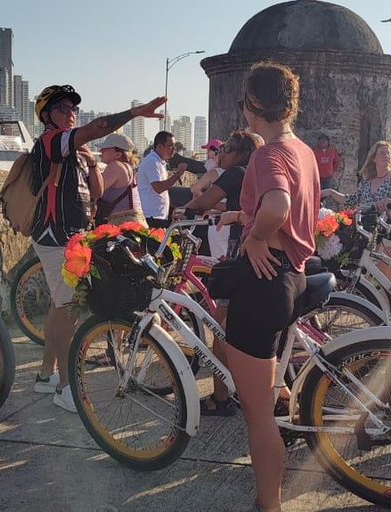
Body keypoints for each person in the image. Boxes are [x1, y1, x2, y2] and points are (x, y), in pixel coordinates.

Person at [216, 61, 319, 512]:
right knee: (267, 391)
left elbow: (276, 205)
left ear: (255, 105)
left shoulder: (266, 152)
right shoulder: (303, 150)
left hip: (263, 282)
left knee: (257, 416)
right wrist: (243, 217)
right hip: (292, 276)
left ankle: (269, 504)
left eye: (244, 102)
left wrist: (256, 235)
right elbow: (288, 206)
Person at [30, 84, 165, 412]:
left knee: (57, 306)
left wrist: (89, 162)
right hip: (56, 237)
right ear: (46, 116)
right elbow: (96, 127)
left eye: (73, 109)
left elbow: (98, 189)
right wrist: (134, 113)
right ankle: (66, 387)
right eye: (63, 109)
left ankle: (46, 376)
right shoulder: (50, 141)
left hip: (71, 236)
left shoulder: (73, 151)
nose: (71, 114)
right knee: (69, 311)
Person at [181, 131, 262, 415]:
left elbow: (200, 203)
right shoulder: (254, 173)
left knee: (219, 328)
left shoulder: (233, 173)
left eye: (227, 148)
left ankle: (220, 398)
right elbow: (234, 205)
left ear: (242, 153)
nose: (221, 153)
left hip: (242, 255)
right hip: (259, 254)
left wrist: (181, 213)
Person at [321, 140, 391, 280]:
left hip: (386, 230)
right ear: (374, 158)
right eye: (382, 153)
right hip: (366, 230)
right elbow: (350, 199)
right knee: (364, 273)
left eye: (388, 153)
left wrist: (388, 202)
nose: (387, 155)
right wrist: (330, 192)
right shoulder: (366, 182)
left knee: (384, 276)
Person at [96, 132, 147, 225]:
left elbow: (96, 189)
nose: (101, 151)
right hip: (134, 220)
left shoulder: (115, 166)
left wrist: (92, 167)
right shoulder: (127, 168)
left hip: (121, 222)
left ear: (118, 154)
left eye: (105, 149)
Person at [137, 131, 185, 227]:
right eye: (170, 146)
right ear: (159, 147)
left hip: (159, 216)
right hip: (152, 217)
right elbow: (158, 188)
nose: (174, 149)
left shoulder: (159, 162)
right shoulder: (152, 162)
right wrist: (178, 174)